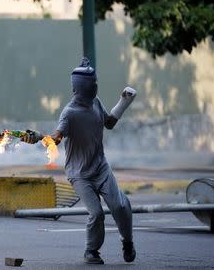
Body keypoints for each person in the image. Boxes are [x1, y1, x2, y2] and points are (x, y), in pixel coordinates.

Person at [23, 57, 137, 265]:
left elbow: (109, 123)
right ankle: (91, 251)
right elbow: (56, 139)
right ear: (82, 87)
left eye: (96, 83)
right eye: (92, 84)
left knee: (120, 206)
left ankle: (127, 241)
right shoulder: (69, 113)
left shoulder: (95, 102)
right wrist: (40, 137)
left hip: (100, 167)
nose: (95, 87)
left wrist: (124, 102)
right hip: (79, 174)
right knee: (96, 213)